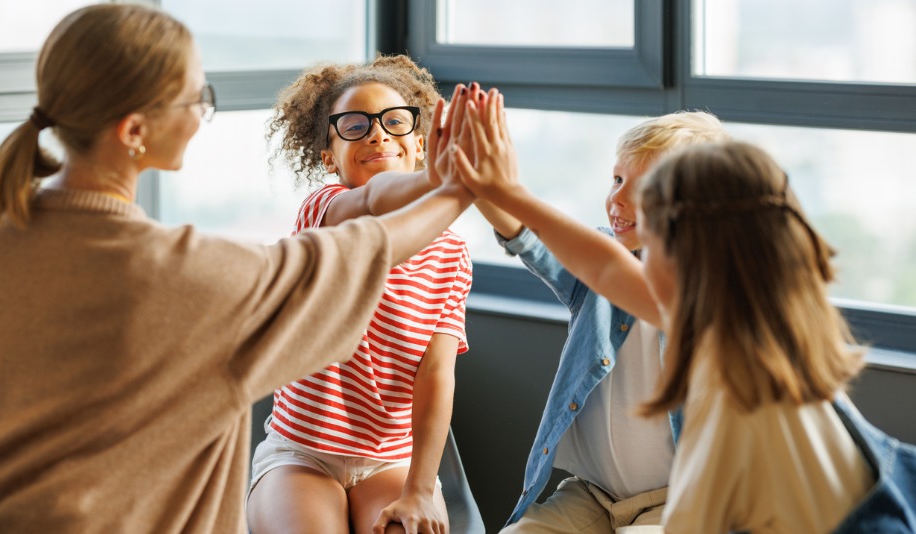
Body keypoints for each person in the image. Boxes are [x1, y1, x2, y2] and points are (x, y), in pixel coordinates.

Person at [0, 5, 475, 533]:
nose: (202, 112)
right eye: (195, 97)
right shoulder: (192, 279)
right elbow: (364, 244)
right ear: (136, 129)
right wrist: (457, 184)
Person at [453, 93, 915, 533]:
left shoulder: (736, 330)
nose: (637, 255)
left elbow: (608, 268)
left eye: (656, 226)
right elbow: (606, 266)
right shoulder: (755, 313)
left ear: (695, 241)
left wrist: (508, 191)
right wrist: (493, 189)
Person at [468, 100, 727, 533]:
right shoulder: (597, 258)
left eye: (642, 190)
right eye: (617, 179)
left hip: (681, 503)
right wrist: (480, 182)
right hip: (591, 494)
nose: (617, 199)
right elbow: (527, 235)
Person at [246, 56, 473, 534]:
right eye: (354, 125)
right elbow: (371, 200)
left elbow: (436, 375)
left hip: (390, 462)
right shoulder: (323, 211)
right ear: (329, 156)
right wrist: (443, 180)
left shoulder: (452, 255)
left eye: (394, 121)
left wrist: (420, 489)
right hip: (301, 452)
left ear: (418, 142)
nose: (377, 134)